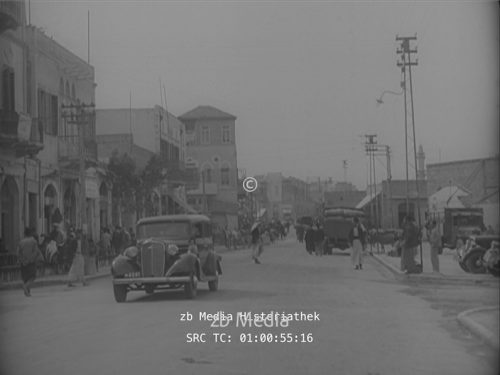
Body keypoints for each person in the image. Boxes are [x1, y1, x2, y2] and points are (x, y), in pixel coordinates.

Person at [17, 227, 43, 296]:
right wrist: (32, 259)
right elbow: (36, 251)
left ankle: (27, 292)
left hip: (23, 262)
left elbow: (18, 253)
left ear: (24, 234)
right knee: (32, 276)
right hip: (31, 262)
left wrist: (22, 260)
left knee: (25, 277)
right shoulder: (33, 241)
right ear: (31, 233)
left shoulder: (21, 242)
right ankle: (25, 287)